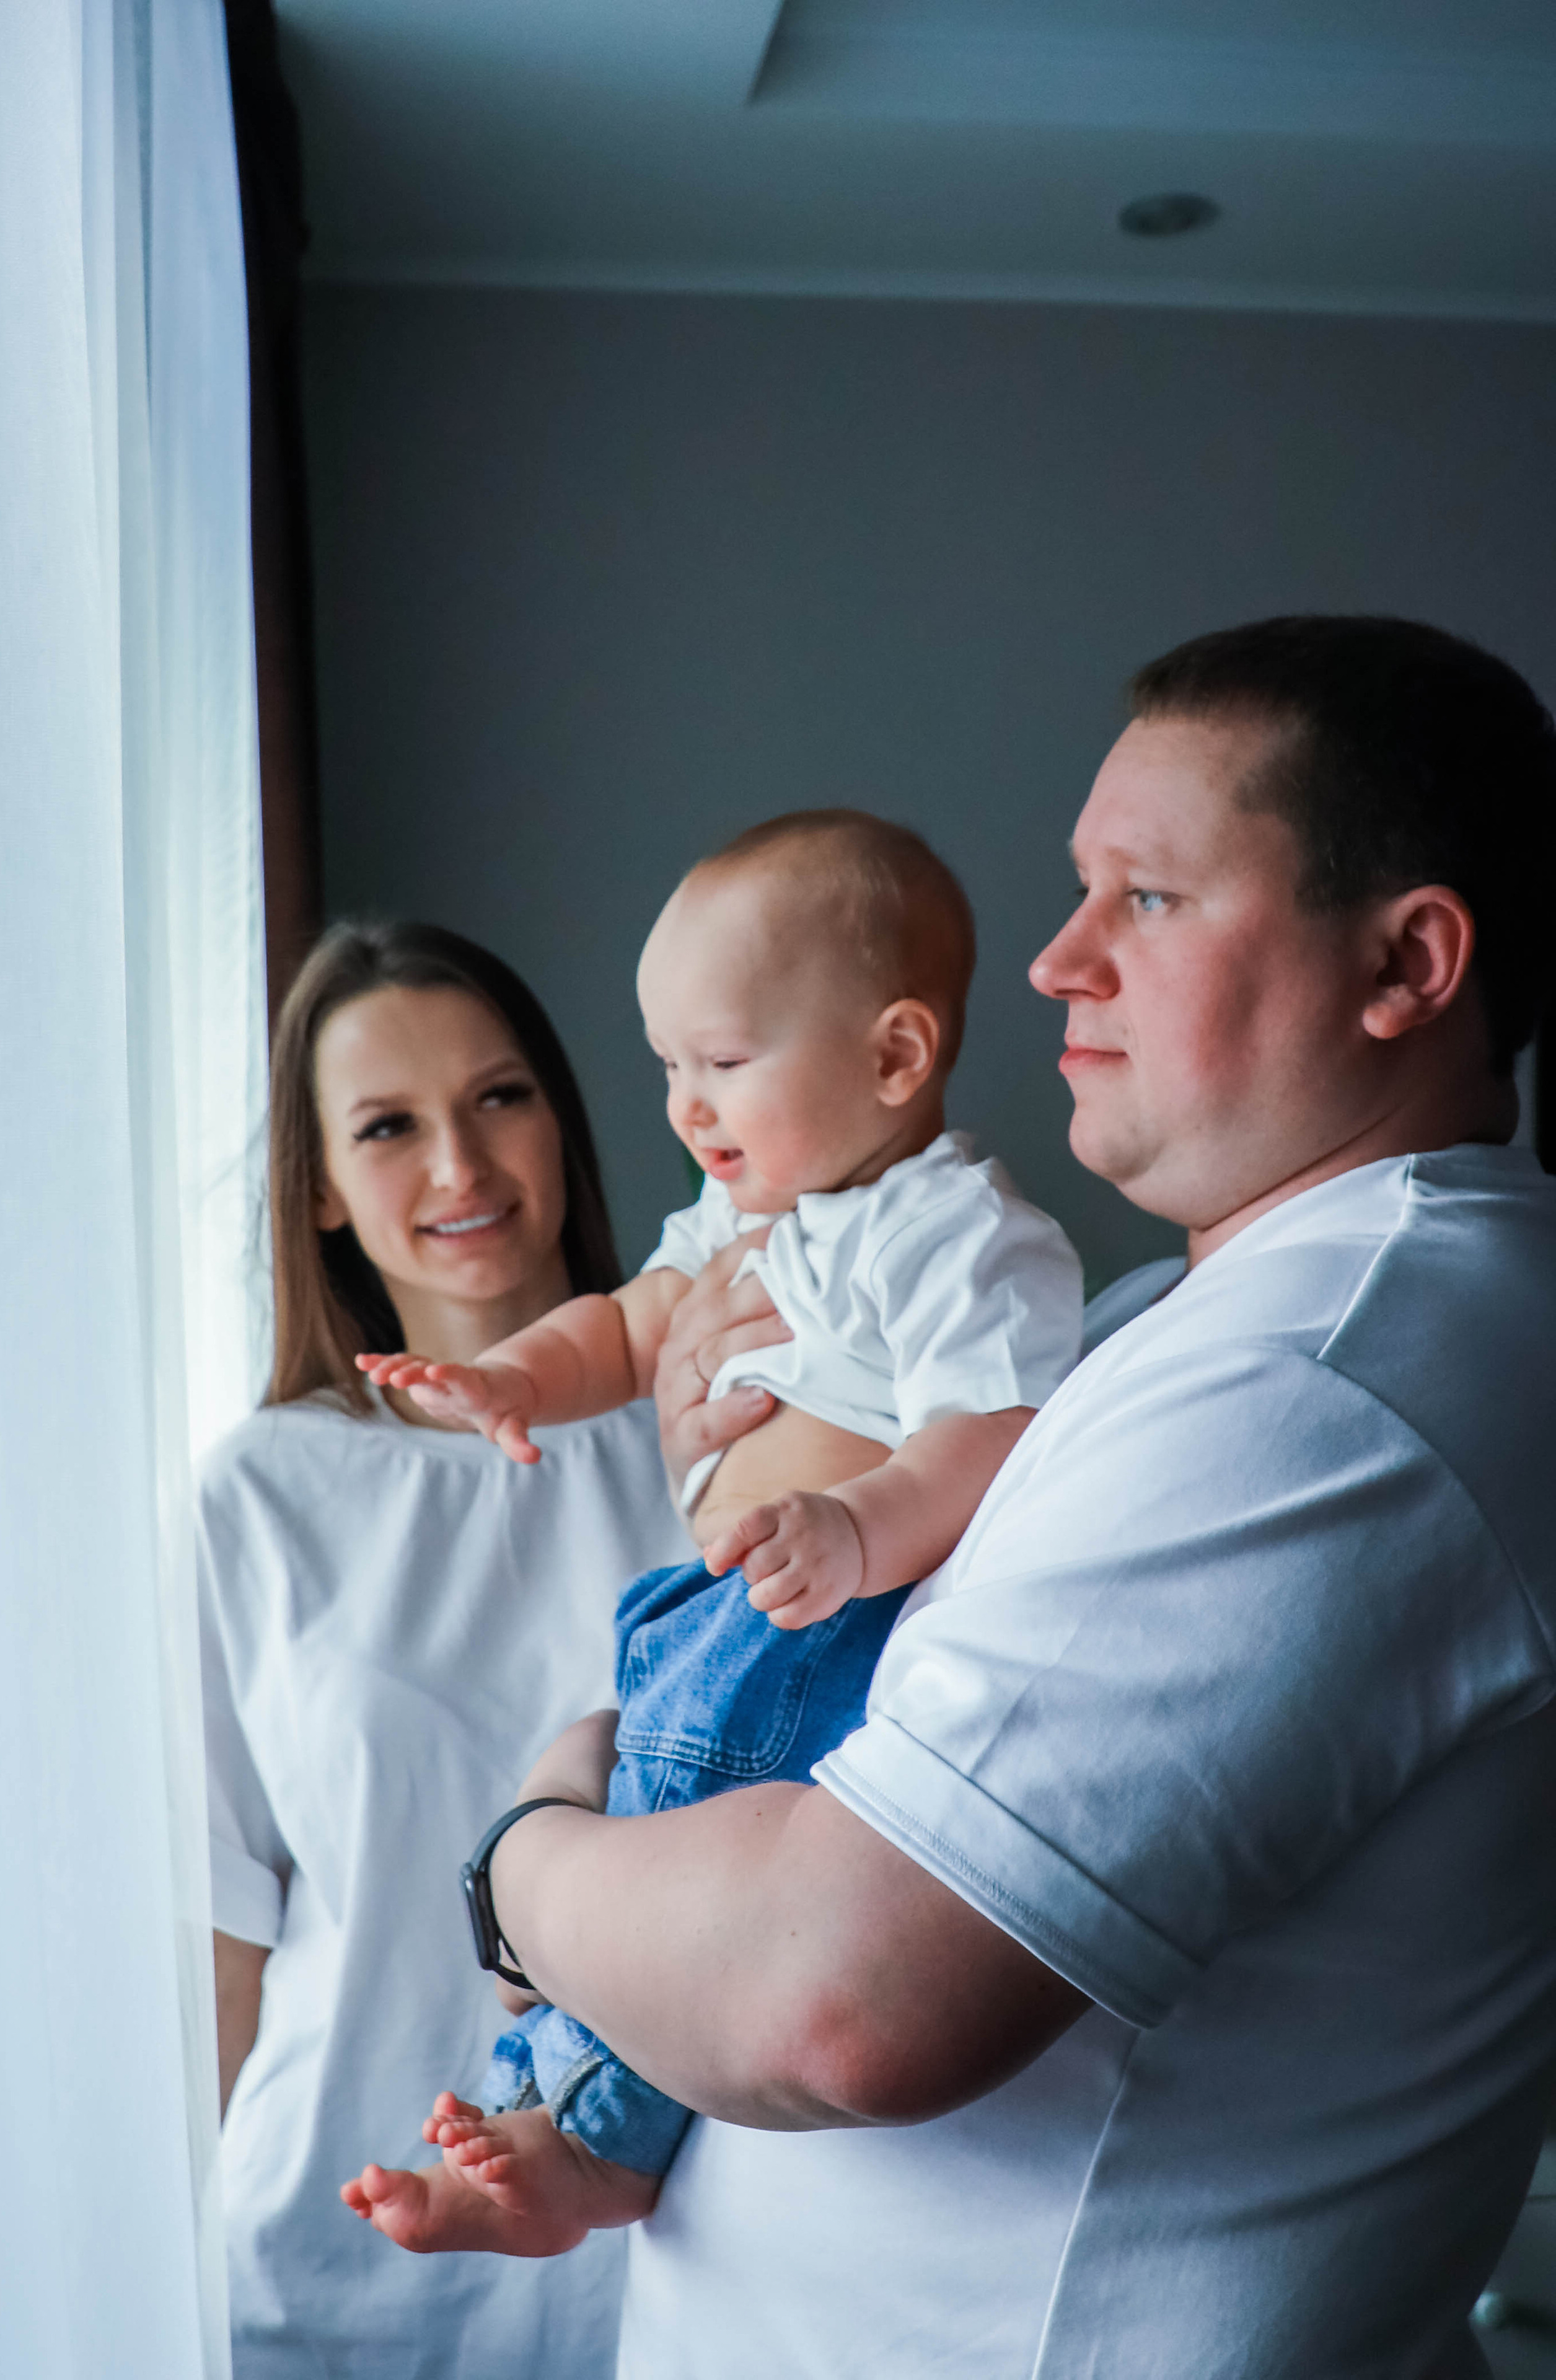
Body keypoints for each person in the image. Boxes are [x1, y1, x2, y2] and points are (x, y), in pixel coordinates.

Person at [403, 617, 1555, 2378]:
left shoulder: (1331, 1376)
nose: (1053, 960)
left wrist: (527, 1857)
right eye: (1079, 891)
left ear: (1409, 962)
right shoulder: (1177, 1324)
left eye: (1147, 900)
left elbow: (834, 1997)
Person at [339, 811, 1085, 2250]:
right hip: (707, 1604)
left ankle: (596, 2148)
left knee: (670, 1867)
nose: (685, 1105)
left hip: (817, 1620)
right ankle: (526, 2114)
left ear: (892, 1057)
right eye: (668, 1065)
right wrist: (512, 1379)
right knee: (629, 1850)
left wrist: (859, 1528)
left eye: (723, 1062)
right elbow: (628, 1326)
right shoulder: (746, 1215)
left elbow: (990, 1431)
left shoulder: (948, 1236)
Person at [200, 921, 691, 2380]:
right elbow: (227, 1927)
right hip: (334, 2251)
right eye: (389, 1127)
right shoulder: (260, 1495)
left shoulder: (723, 1433)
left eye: (499, 1099)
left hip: (663, 2251)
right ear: (325, 1194)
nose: (462, 1171)